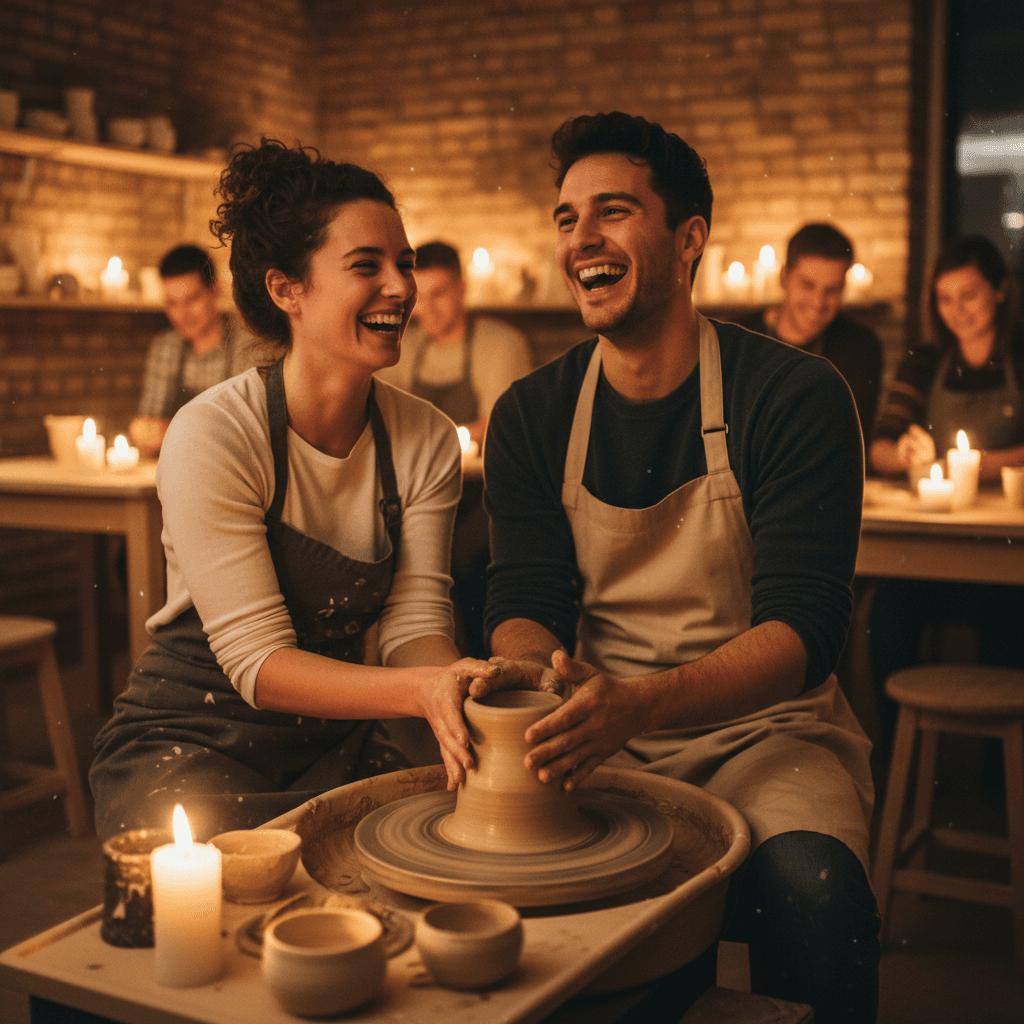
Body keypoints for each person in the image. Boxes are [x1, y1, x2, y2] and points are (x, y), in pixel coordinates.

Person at [475, 113, 879, 1023]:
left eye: (612, 211)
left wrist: (644, 703)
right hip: (594, 734)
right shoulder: (531, 414)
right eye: (567, 217)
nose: (582, 238)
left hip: (767, 734)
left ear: (689, 237)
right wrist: (546, 681)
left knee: (815, 895)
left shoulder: (794, 395)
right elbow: (524, 597)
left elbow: (806, 633)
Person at [91, 140, 498, 842]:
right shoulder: (215, 433)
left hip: (335, 737)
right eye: (366, 266)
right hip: (196, 731)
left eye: (403, 265)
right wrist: (419, 691)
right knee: (207, 895)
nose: (402, 288)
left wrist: (464, 686)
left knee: (421, 860)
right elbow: (258, 663)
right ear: (287, 290)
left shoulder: (424, 439)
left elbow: (412, 628)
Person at [868, 236, 1024, 745]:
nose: (957, 311)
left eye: (970, 295)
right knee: (886, 612)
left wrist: (981, 466)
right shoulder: (926, 359)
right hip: (938, 547)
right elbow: (881, 447)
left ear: (1000, 291)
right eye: (945, 298)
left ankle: (996, 772)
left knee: (1011, 622)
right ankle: (899, 753)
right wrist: (905, 453)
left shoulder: (1019, 353)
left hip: (1008, 553)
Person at [376, 241, 533, 446]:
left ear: (461, 290)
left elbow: (503, 423)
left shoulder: (501, 343)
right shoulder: (403, 346)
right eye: (419, 298)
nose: (427, 308)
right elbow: (382, 415)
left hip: (480, 475)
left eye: (438, 294)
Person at [734, 223, 883, 438]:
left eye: (832, 290)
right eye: (807, 285)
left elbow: (852, 439)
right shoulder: (738, 337)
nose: (818, 302)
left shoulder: (861, 347)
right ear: (784, 278)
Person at [129, 244, 263, 456]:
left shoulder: (249, 345)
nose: (181, 314)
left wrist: (174, 430)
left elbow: (252, 428)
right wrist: (144, 433)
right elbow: (150, 419)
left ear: (216, 290)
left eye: (192, 300)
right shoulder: (165, 348)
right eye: (172, 304)